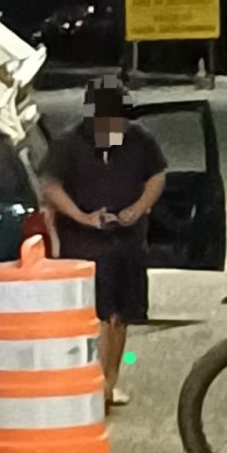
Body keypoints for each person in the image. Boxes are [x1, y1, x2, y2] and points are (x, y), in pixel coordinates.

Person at [40, 75, 167, 413]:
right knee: (96, 315)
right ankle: (92, 382)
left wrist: (137, 209)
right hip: (84, 244)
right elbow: (51, 185)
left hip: (127, 241)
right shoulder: (68, 143)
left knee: (121, 316)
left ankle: (110, 381)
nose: (114, 126)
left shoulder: (139, 139)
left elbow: (157, 175)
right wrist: (82, 217)